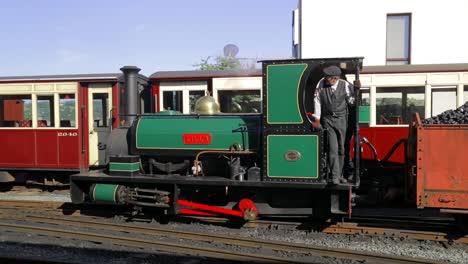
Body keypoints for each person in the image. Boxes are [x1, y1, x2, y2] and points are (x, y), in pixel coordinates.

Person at [312, 65, 361, 184]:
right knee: (332, 148)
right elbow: (317, 101)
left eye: (328, 77)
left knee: (341, 148)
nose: (326, 79)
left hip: (341, 119)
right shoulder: (321, 84)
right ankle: (334, 177)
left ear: (335, 78)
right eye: (326, 77)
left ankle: (339, 175)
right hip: (327, 120)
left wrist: (357, 91)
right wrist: (317, 119)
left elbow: (352, 102)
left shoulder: (345, 85)